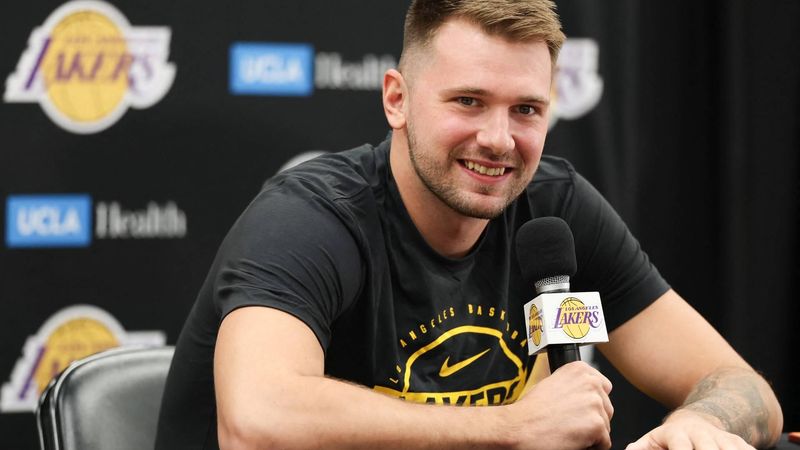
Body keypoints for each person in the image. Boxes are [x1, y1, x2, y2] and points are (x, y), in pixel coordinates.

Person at [155, 1, 783, 448]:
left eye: (526, 109)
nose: (498, 139)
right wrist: (515, 429)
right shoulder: (311, 218)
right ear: (396, 99)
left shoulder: (556, 209)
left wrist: (702, 424)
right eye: (468, 101)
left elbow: (743, 388)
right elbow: (257, 422)